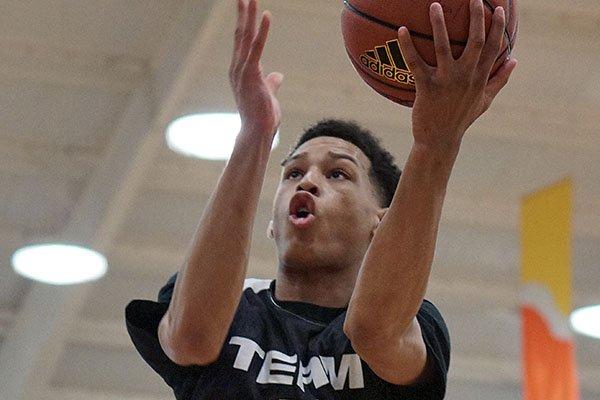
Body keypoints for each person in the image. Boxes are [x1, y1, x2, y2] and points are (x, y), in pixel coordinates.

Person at [125, 0, 517, 398]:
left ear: (379, 221)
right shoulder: (229, 301)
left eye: (337, 174)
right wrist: (254, 134)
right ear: (272, 223)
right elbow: (192, 338)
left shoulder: (414, 322)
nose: (308, 182)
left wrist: (438, 143)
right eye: (293, 172)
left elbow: (373, 331)